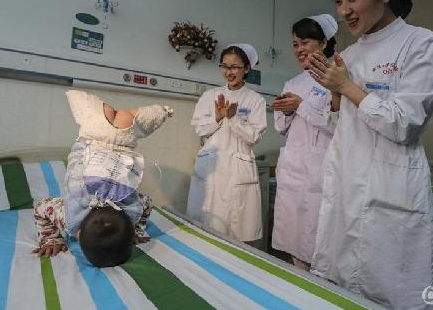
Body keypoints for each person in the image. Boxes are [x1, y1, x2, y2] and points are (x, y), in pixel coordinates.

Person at [308, 0, 433, 310]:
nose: (344, 11)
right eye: (338, 1)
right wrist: (336, 99)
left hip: (391, 190)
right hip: (347, 183)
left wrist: (347, 88)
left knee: (394, 301)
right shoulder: (348, 56)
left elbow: (406, 123)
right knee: (342, 298)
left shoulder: (421, 43)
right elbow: (345, 127)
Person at [32, 90, 173, 267]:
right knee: (88, 106)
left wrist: (137, 230)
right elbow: (41, 207)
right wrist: (51, 238)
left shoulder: (133, 212)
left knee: (127, 118)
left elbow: (147, 202)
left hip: (124, 143)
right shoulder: (68, 218)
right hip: (92, 139)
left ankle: (160, 111)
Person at [270, 14, 338, 271]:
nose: (298, 49)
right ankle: (299, 286)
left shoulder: (335, 78)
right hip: (293, 168)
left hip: (321, 169)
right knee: (292, 238)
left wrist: (300, 106)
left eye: (305, 42)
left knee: (316, 240)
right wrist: (287, 112)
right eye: (295, 44)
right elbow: (280, 127)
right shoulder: (292, 82)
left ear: (323, 42)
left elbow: (337, 124)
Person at [186, 44, 267, 242]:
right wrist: (218, 118)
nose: (228, 72)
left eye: (235, 67)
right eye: (224, 66)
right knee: (206, 227)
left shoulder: (255, 100)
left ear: (246, 69)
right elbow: (199, 128)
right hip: (211, 165)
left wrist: (233, 119)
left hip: (237, 169)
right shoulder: (209, 96)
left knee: (234, 231)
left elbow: (254, 136)